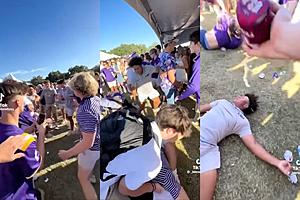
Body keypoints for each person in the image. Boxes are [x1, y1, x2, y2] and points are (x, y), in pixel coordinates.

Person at [200, 94, 292, 200]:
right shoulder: (223, 102)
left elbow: (253, 144)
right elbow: (202, 108)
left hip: (209, 146)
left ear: (246, 107)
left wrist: (278, 162)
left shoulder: (242, 121)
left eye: (246, 101)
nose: (241, 98)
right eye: (243, 96)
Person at [101, 104, 191, 200]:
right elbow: (123, 189)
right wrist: (153, 187)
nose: (178, 140)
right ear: (169, 131)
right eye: (178, 137)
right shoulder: (153, 161)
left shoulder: (137, 117)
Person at [58, 72, 101, 200]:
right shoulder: (96, 99)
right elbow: (95, 123)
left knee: (83, 179)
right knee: (87, 173)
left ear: (78, 90)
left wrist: (68, 153)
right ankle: (90, 173)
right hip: (99, 144)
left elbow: (88, 143)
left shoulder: (84, 110)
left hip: (91, 149)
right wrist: (80, 129)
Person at [0, 81, 46, 199]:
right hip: (17, 195)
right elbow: (38, 166)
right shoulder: (24, 141)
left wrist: (29, 130)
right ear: (18, 102)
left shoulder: (19, 136)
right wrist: (41, 135)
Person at [159, 35, 181, 105]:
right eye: (174, 43)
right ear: (169, 43)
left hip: (164, 84)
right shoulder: (169, 57)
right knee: (171, 106)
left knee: (170, 103)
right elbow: (171, 75)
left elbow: (159, 69)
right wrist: (178, 85)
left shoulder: (161, 54)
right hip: (170, 85)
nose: (175, 45)